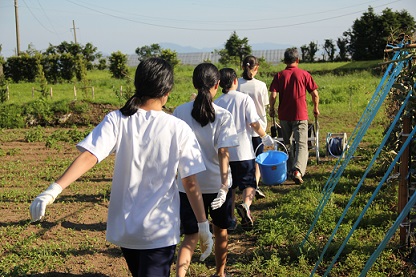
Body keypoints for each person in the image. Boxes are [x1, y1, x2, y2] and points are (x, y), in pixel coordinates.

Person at [29, 57, 213, 277]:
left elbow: (90, 156)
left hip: (126, 230)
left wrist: (53, 190)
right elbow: (190, 183)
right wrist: (203, 224)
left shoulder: (117, 119)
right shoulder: (177, 128)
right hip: (159, 231)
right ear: (167, 90)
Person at [174, 63, 239, 277]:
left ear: (194, 83)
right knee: (220, 231)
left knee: (191, 236)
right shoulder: (223, 115)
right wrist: (223, 185)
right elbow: (223, 152)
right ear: (217, 85)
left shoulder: (179, 112)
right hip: (216, 186)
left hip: (187, 186)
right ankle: (220, 273)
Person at [215, 68, 274, 231]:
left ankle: (231, 218)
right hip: (243, 151)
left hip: (225, 153)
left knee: (229, 186)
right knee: (249, 183)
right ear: (235, 81)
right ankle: (246, 205)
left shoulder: (217, 102)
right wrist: (264, 136)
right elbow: (254, 123)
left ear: (219, 83)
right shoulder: (244, 99)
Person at [269, 47, 320, 184]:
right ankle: (297, 170)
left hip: (284, 115)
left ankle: (289, 169)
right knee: (302, 144)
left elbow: (273, 95)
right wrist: (316, 108)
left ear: (285, 61)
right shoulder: (304, 74)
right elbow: (314, 94)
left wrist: (272, 109)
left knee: (287, 143)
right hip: (300, 114)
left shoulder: (279, 75)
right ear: (297, 60)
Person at [237, 55, 269, 200]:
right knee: (258, 158)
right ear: (256, 68)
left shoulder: (236, 84)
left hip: (241, 128)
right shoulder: (261, 85)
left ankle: (244, 184)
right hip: (259, 127)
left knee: (244, 157)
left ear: (242, 66)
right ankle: (254, 185)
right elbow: (265, 106)